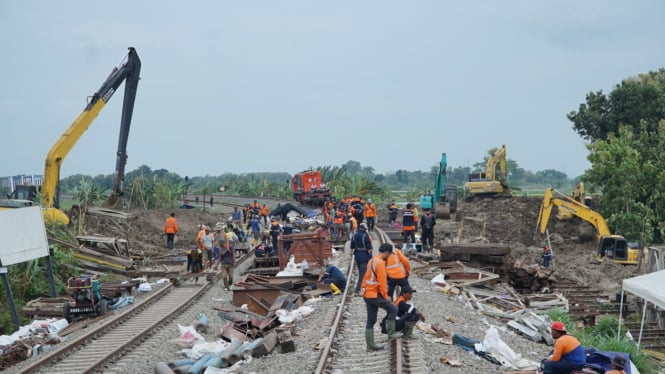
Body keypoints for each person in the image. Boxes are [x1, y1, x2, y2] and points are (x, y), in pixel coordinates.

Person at [362, 243, 402, 351]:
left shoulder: (372, 260)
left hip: (367, 294)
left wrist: (363, 289)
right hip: (374, 294)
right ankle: (391, 334)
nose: (389, 257)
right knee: (393, 309)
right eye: (389, 255)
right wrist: (386, 296)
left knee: (371, 319)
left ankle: (370, 345)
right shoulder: (380, 264)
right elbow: (382, 283)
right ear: (386, 253)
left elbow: (365, 277)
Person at [351, 222, 373, 296]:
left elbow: (352, 246)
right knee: (362, 275)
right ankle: (357, 290)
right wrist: (371, 257)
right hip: (364, 256)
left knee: (361, 273)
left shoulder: (354, 235)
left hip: (357, 256)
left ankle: (363, 289)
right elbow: (369, 248)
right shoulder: (365, 235)